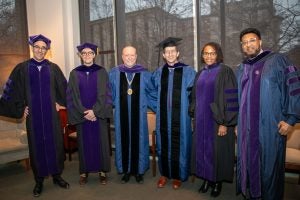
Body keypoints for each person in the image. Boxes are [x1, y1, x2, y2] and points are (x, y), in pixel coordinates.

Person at [0, 34, 69, 197]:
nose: (40, 50)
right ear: (32, 48)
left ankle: (57, 176)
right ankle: (39, 181)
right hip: (34, 117)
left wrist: (62, 102)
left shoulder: (53, 68)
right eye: (37, 47)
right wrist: (20, 107)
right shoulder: (22, 68)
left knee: (55, 144)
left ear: (47, 50)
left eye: (43, 48)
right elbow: (11, 92)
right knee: (36, 146)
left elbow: (65, 89)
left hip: (51, 116)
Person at [236, 27, 300, 200]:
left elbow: (294, 88)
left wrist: (291, 119)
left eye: (252, 40)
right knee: (249, 164)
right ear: (242, 46)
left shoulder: (277, 60)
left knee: (270, 168)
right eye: (245, 43)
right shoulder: (242, 68)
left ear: (260, 42)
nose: (248, 45)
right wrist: (237, 123)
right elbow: (235, 97)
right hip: (246, 130)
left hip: (270, 127)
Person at [189, 42, 238, 197]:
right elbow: (194, 97)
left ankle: (217, 182)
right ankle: (206, 178)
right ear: (202, 55)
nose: (208, 56)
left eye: (212, 53)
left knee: (216, 152)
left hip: (217, 121)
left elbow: (231, 99)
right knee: (203, 151)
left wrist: (225, 122)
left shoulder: (225, 72)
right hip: (201, 121)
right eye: (206, 53)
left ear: (218, 55)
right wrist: (193, 115)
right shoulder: (200, 73)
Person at [147, 37, 196, 189]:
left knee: (181, 143)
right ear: (163, 55)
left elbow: (194, 93)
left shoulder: (188, 71)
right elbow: (150, 91)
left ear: (177, 53)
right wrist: (158, 107)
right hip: (163, 117)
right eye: (167, 52)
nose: (170, 54)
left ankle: (179, 175)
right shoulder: (158, 72)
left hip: (181, 117)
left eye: (172, 51)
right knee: (163, 144)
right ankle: (165, 174)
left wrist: (189, 109)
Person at [67, 42, 112, 186]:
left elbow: (105, 94)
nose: (87, 55)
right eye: (84, 53)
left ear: (94, 55)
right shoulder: (74, 73)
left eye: (90, 53)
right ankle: (84, 172)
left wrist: (95, 111)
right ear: (80, 55)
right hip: (83, 116)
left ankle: (102, 171)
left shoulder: (101, 71)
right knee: (84, 144)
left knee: (101, 143)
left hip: (97, 115)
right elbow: (72, 95)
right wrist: (84, 112)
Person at [109, 46, 151, 184]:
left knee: (140, 140)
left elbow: (153, 93)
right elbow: (108, 94)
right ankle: (126, 171)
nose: (129, 57)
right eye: (126, 55)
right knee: (123, 140)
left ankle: (138, 171)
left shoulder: (144, 73)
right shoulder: (114, 73)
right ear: (122, 56)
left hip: (139, 116)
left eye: (132, 55)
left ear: (136, 56)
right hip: (122, 116)